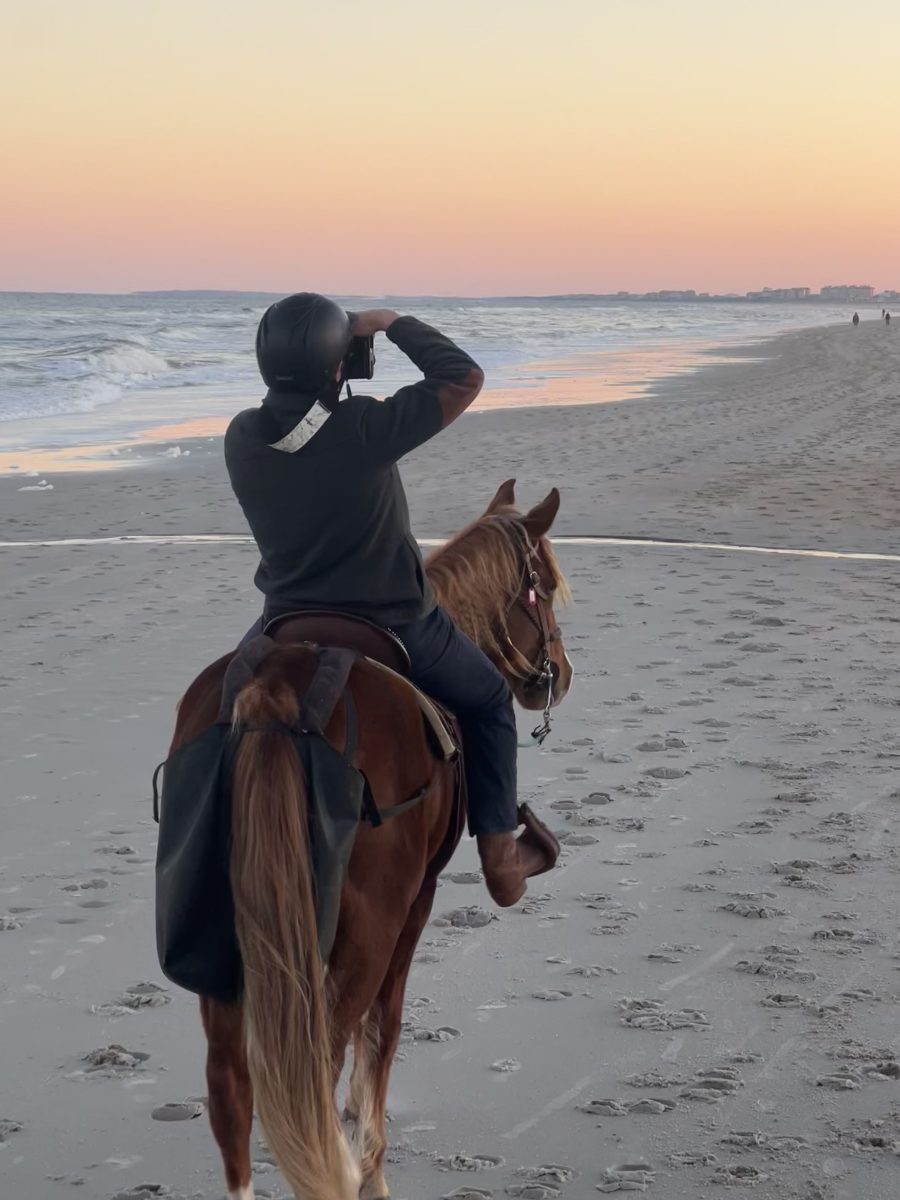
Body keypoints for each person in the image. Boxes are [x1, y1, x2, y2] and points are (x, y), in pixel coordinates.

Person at [224, 293, 559, 906]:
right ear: (337, 364)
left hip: (285, 620)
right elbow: (463, 376)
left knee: (224, 718)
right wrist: (391, 323)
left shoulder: (242, 436)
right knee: (487, 700)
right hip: (396, 622)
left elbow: (300, 435)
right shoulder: (365, 428)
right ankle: (501, 863)